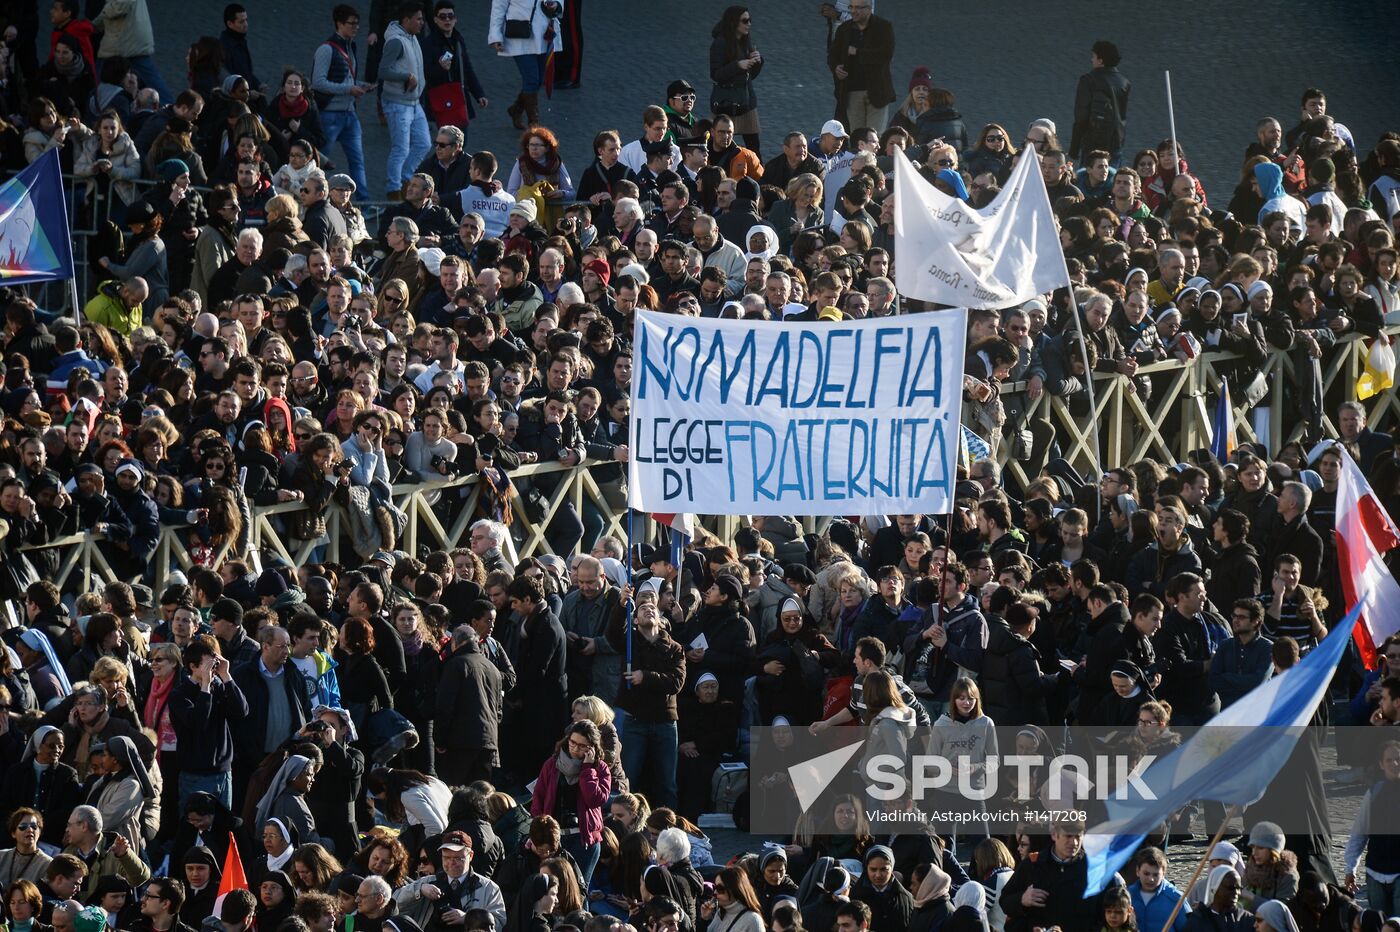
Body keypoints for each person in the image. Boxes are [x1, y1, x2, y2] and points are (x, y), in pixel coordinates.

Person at [529, 721, 611, 887]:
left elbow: (596, 799)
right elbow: (539, 797)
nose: (575, 749)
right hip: (554, 837)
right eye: (573, 742)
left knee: (579, 889)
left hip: (583, 839)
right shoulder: (552, 764)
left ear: (592, 747)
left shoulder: (600, 768)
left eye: (582, 746)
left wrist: (588, 769)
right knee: (551, 887)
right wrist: (536, 831)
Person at [311, 5, 370, 197]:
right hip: (330, 113)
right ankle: (312, 195)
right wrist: (349, 89)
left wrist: (360, 85)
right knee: (320, 159)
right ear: (339, 24)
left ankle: (364, 201)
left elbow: (346, 79)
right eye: (351, 24)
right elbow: (318, 82)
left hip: (349, 113)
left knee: (357, 160)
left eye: (357, 24)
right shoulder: (326, 49)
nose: (356, 27)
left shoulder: (350, 46)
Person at [380, 2, 433, 200]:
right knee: (400, 148)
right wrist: (406, 76)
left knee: (424, 144)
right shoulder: (396, 41)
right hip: (397, 103)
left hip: (414, 102)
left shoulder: (412, 37)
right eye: (418, 19)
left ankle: (404, 178)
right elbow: (383, 71)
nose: (422, 23)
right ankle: (394, 190)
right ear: (406, 20)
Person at [488, 0, 562, 132]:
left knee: (538, 80)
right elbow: (498, 8)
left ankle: (516, 109)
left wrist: (556, 4)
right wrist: (495, 36)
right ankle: (534, 123)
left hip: (544, 33)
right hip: (519, 34)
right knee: (532, 79)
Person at [826, 0, 894, 132]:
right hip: (852, 91)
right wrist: (836, 68)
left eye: (858, 8)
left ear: (869, 9)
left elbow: (886, 54)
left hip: (877, 92)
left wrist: (858, 52)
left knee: (874, 136)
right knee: (857, 136)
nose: (853, 11)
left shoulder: (884, 27)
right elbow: (832, 55)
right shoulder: (844, 29)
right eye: (851, 7)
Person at [708, 7, 763, 157]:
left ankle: (759, 177)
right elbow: (716, 74)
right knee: (720, 145)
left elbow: (750, 76)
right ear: (733, 22)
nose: (749, 24)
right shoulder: (720, 43)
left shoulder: (746, 41)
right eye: (745, 21)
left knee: (754, 147)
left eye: (750, 20)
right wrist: (738, 65)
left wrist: (757, 62)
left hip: (746, 101)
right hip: (726, 101)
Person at [1069, 40, 1130, 166]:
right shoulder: (1124, 83)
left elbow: (1081, 117)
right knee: (1113, 180)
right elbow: (1122, 115)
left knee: (1088, 181)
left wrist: (1074, 149)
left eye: (1093, 56)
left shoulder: (1088, 80)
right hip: (1116, 143)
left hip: (1093, 145)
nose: (1092, 60)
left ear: (1101, 60)